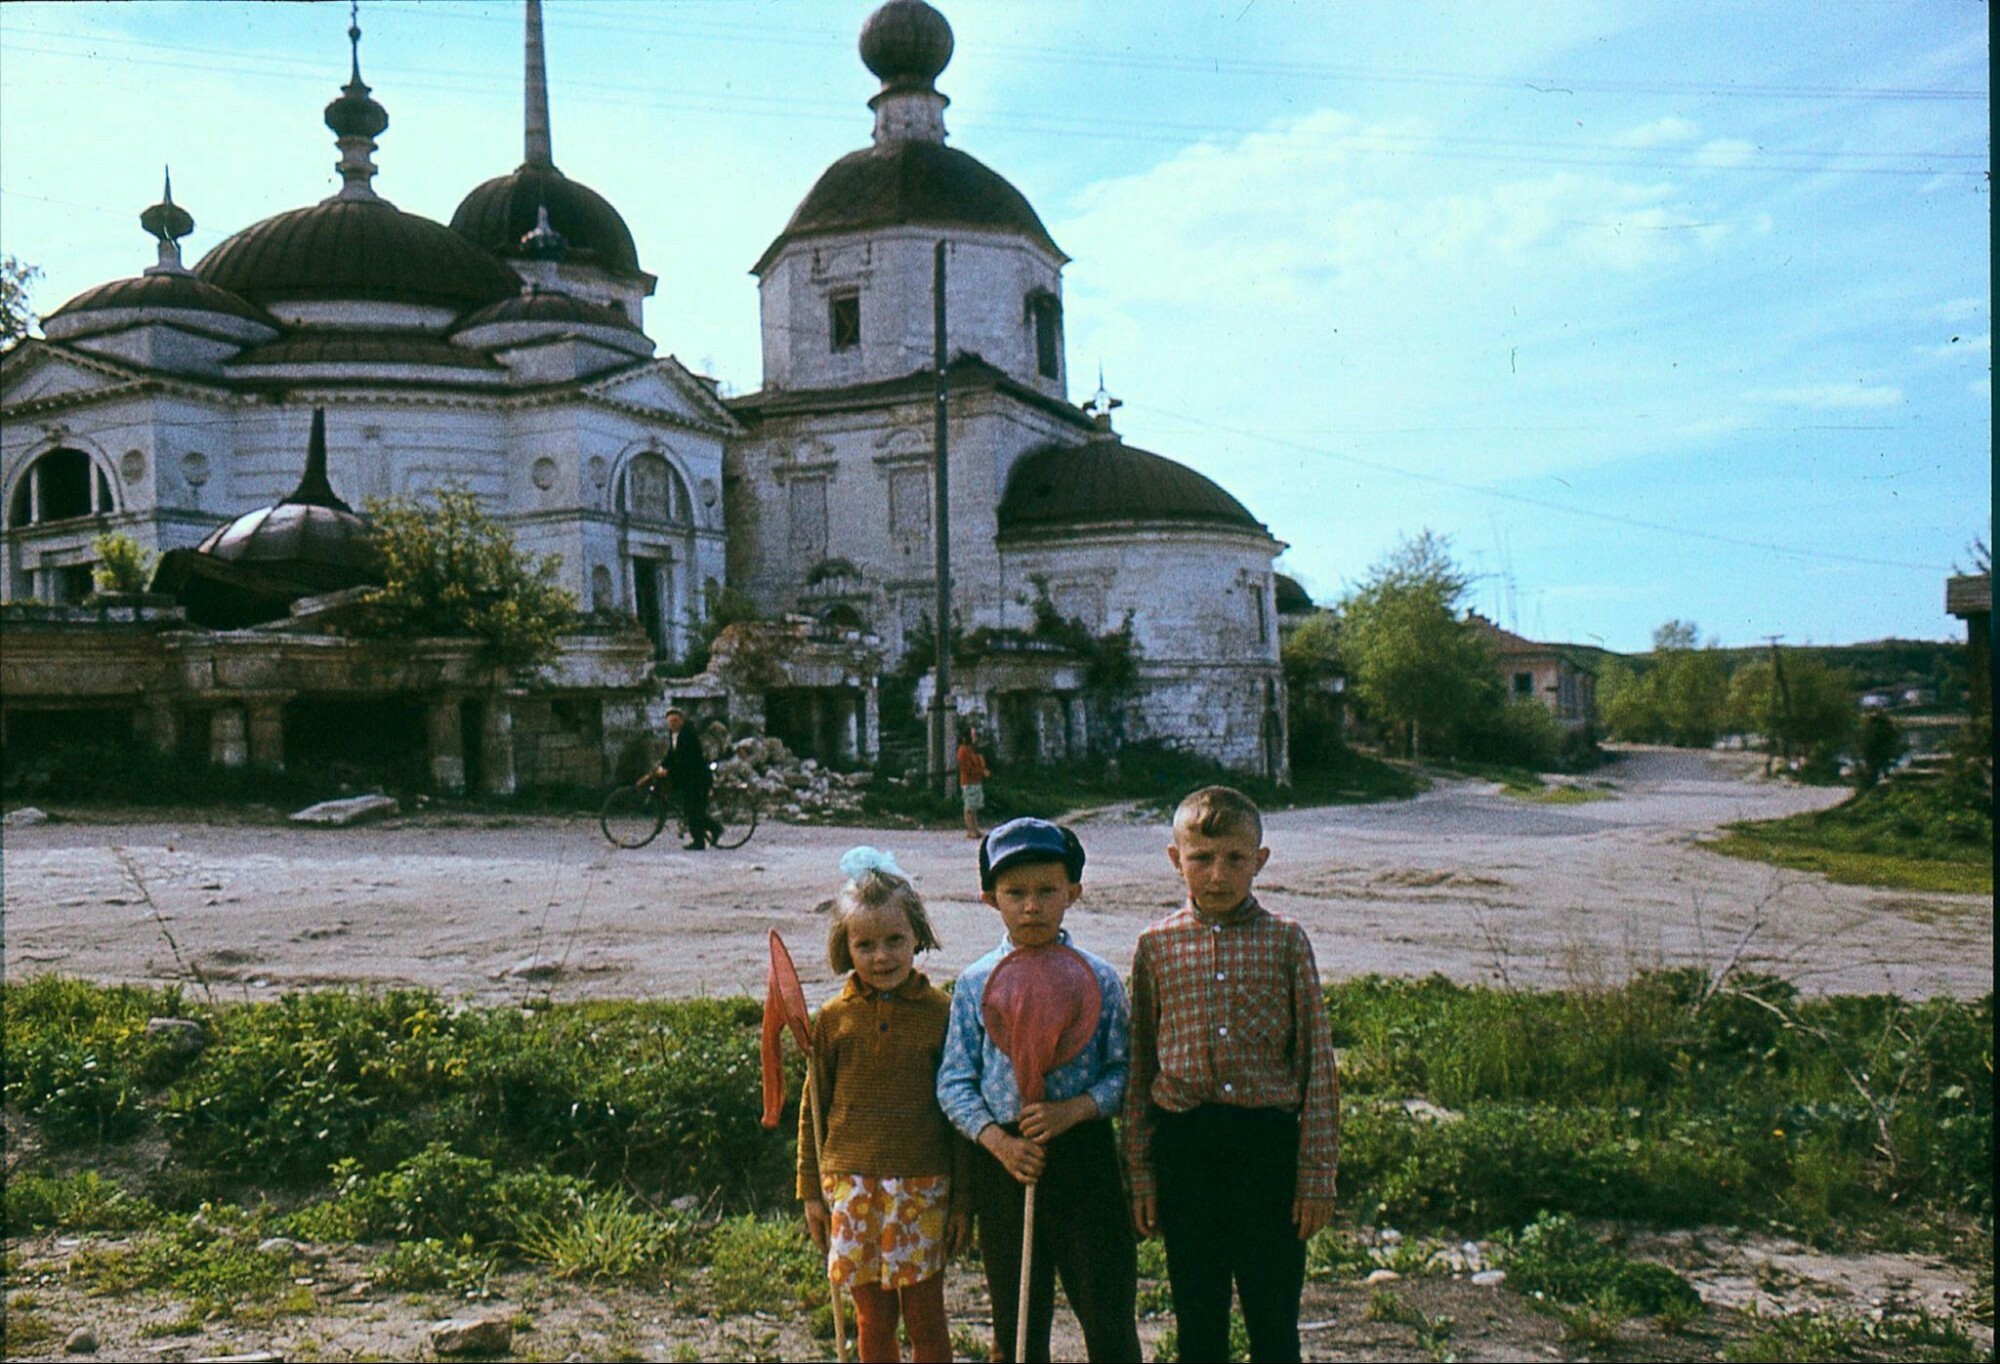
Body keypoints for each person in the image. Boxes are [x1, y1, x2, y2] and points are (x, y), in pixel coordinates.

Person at [1123, 786, 1340, 1364]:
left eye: (1235, 859)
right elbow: (1140, 1065)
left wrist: (1316, 1174)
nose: (1217, 875)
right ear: (1176, 859)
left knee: (1274, 1324)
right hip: (1186, 1149)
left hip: (1266, 1151)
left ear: (1259, 861)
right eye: (1201, 858)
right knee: (1198, 1322)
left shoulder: (1287, 942)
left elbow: (1318, 1065)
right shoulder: (1155, 946)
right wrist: (1141, 1173)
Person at [937, 817, 1141, 1364]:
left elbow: (1128, 1073)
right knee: (1018, 1320)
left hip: (1083, 1157)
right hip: (1007, 1166)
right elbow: (954, 1081)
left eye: (1047, 891)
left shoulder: (1098, 979)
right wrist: (999, 1144)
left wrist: (1073, 1110)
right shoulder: (977, 982)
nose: (1032, 906)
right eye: (1016, 893)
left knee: (1107, 1307)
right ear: (989, 899)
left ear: (1072, 893)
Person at [798, 847, 971, 1363]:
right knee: (873, 1318)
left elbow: (960, 1112)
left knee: (925, 1316)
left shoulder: (943, 1013)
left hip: (923, 1185)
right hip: (851, 1187)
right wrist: (810, 1188)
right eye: (865, 944)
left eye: (895, 940)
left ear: (917, 934)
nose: (881, 956)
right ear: (844, 947)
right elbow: (813, 1108)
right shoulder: (832, 1019)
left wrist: (963, 1199)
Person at [646, 707, 720, 850]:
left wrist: (669, 771)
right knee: (691, 810)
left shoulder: (688, 735)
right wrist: (662, 766)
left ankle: (706, 836)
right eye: (670, 721)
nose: (673, 724)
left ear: (682, 721)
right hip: (687, 777)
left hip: (697, 778)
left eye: (675, 721)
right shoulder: (674, 734)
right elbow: (672, 754)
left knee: (694, 811)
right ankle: (704, 836)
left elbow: (686, 760)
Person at [956, 723, 990, 840]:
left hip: (975, 781)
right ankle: (970, 830)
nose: (975, 738)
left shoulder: (971, 750)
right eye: (973, 735)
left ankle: (975, 829)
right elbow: (967, 769)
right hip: (968, 782)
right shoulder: (963, 751)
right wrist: (981, 771)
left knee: (974, 807)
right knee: (969, 808)